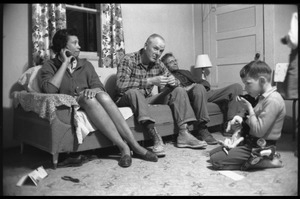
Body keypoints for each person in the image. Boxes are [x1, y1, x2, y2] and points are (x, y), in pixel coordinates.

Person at [38, 28, 158, 168]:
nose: (79, 46)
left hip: (90, 98)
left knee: (102, 96)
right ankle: (124, 148)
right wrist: (65, 63)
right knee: (88, 98)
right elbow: (49, 90)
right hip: (71, 102)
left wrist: (93, 90)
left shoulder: (85, 64)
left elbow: (99, 86)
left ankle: (135, 146)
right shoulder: (50, 65)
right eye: (75, 43)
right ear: (64, 47)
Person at [115, 33, 207, 157]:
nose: (158, 53)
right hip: (126, 98)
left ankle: (184, 134)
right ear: (146, 45)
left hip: (146, 100)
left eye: (161, 51)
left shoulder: (158, 64)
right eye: (155, 48)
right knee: (134, 92)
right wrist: (150, 81)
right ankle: (154, 136)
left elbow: (175, 81)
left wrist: (174, 82)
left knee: (178, 90)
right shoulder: (128, 59)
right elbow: (120, 85)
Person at [209, 55, 286, 170]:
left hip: (259, 145)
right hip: (250, 142)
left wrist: (250, 109)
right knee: (212, 153)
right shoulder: (262, 97)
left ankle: (265, 160)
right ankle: (262, 158)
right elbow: (253, 118)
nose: (245, 87)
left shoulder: (273, 100)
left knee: (215, 160)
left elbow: (259, 131)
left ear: (262, 81)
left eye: (248, 83)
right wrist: (240, 121)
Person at [161, 52, 243, 145]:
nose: (175, 62)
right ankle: (202, 127)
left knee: (236, 87)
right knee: (198, 88)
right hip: (189, 95)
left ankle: (231, 125)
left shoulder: (185, 72)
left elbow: (204, 82)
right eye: (171, 62)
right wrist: (188, 88)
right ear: (165, 66)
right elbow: (166, 93)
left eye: (175, 60)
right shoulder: (165, 77)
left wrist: (196, 85)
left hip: (203, 93)